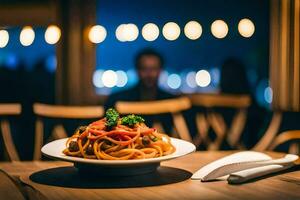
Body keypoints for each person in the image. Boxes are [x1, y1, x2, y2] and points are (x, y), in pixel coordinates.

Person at [104, 48, 175, 132]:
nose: (149, 74)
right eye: (144, 69)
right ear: (137, 70)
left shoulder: (172, 101)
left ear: (160, 70)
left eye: (154, 69)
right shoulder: (116, 99)